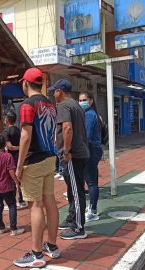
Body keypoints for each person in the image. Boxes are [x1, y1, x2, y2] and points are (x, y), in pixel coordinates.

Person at [13, 67, 60, 268]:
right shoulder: (50, 104)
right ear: (40, 83)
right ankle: (52, 246)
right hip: (50, 158)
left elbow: (25, 136)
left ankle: (36, 254)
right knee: (50, 201)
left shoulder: (27, 104)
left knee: (36, 205)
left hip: (34, 161)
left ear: (25, 83)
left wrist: (19, 165)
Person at [51, 79, 89, 240]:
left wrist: (66, 150)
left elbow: (67, 128)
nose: (53, 94)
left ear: (60, 91)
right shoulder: (76, 105)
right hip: (79, 152)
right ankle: (72, 218)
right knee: (73, 189)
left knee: (76, 190)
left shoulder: (64, 106)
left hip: (73, 155)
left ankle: (78, 227)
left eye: (54, 91)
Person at [0, 134, 25, 236]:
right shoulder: (8, 156)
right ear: (4, 144)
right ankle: (13, 229)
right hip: (7, 186)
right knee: (12, 205)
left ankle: (1, 227)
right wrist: (17, 182)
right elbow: (11, 171)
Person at [78, 92, 103, 222]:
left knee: (91, 182)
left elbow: (85, 137)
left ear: (91, 101)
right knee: (92, 181)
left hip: (90, 149)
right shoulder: (93, 114)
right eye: (80, 100)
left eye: (84, 100)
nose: (82, 102)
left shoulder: (89, 115)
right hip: (94, 149)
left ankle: (93, 211)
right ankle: (93, 208)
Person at [2, 111, 27, 209]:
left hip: (11, 158)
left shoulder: (6, 132)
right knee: (20, 179)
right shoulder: (19, 130)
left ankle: (12, 202)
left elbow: (10, 147)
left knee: (12, 180)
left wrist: (18, 147)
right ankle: (21, 199)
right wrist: (22, 148)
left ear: (7, 120)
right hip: (20, 157)